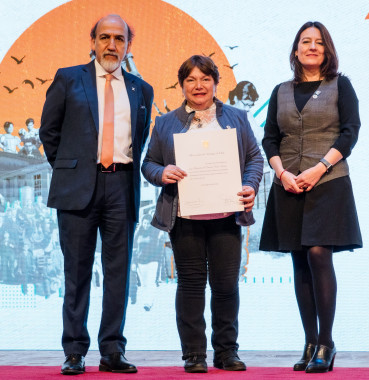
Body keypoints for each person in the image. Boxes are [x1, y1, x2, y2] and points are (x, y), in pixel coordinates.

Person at [39, 14, 153, 375]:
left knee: (118, 272)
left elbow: (140, 140)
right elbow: (49, 133)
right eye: (104, 37)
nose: (111, 45)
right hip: (78, 188)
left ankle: (112, 351)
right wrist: (74, 169)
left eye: (119, 39)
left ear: (128, 46)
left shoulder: (141, 89)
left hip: (122, 185)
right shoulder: (68, 78)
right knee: (77, 272)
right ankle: (74, 351)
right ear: (93, 42)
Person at [142, 55, 263, 373]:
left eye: (205, 78)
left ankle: (227, 352)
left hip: (226, 216)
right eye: (191, 80)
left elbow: (255, 158)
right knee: (192, 285)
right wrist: (162, 171)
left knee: (226, 286)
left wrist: (250, 185)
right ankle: (194, 355)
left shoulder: (236, 117)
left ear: (215, 83)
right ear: (182, 85)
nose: (198, 85)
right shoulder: (166, 122)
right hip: (185, 218)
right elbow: (149, 163)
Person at [259, 21, 362, 373]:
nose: (312, 47)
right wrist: (282, 173)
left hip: (329, 182)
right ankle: (308, 340)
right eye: (306, 41)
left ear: (327, 49)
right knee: (299, 260)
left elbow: (350, 133)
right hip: (287, 184)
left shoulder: (340, 85)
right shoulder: (280, 90)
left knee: (319, 253)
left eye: (319, 42)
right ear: (296, 49)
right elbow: (270, 138)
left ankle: (327, 342)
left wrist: (318, 168)